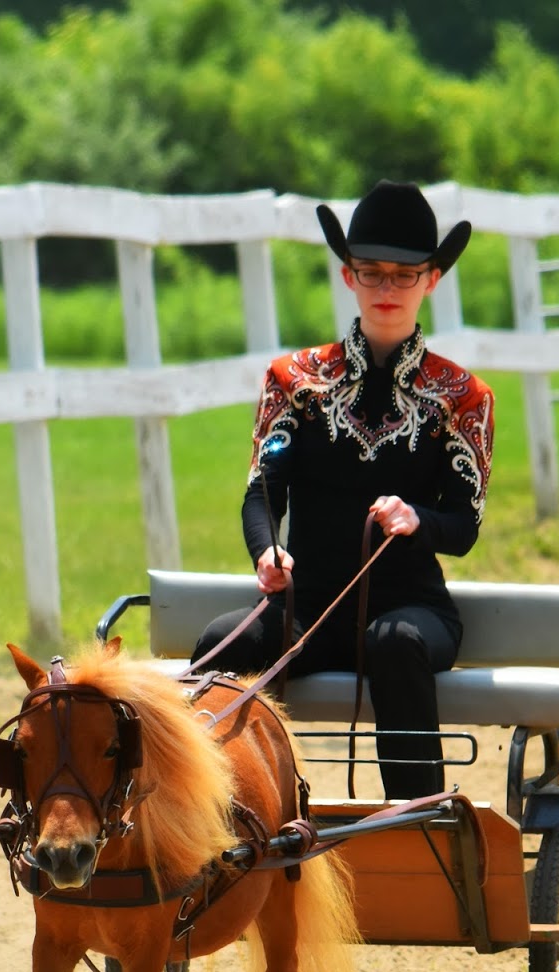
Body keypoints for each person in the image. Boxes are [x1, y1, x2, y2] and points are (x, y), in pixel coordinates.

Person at [192, 179, 495, 800]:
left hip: (413, 614)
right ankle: (218, 819)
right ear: (346, 275)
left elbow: (463, 527)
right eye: (371, 272)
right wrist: (265, 551)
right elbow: (261, 492)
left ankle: (416, 819)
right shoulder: (293, 382)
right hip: (309, 611)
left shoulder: (465, 399)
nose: (387, 288)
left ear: (431, 280)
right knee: (220, 646)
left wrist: (419, 520)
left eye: (404, 275)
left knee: (394, 641)